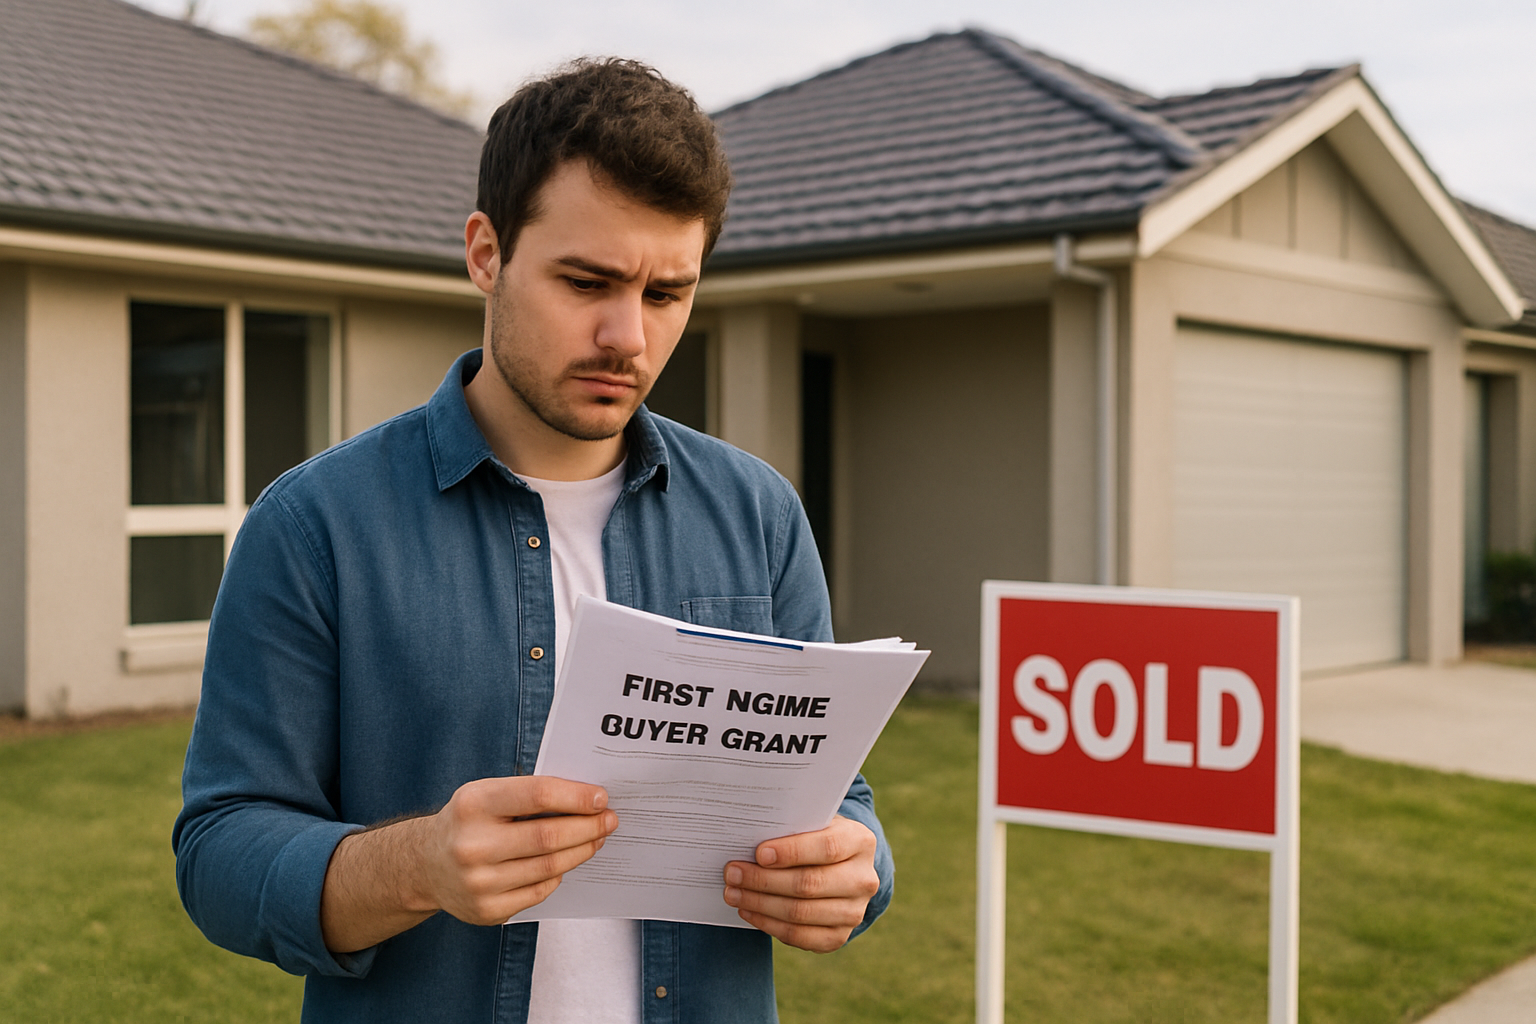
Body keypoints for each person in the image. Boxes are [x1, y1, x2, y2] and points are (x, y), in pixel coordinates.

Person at [172, 58, 893, 1024]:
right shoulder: (313, 528)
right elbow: (220, 852)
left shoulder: (759, 513)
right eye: (586, 280)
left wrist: (856, 867)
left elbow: (840, 795)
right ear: (485, 253)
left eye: (667, 293)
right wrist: (418, 865)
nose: (626, 336)